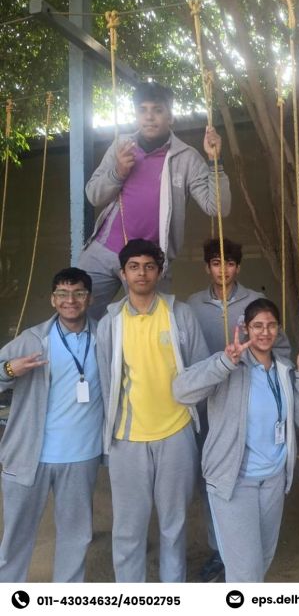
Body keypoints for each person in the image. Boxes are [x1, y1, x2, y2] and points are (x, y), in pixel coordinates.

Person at [173, 298, 299, 582]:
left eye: (271, 325)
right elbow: (181, 392)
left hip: (273, 479)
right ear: (246, 329)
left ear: (278, 329)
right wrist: (224, 363)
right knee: (245, 572)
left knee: (262, 560)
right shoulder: (229, 364)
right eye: (257, 325)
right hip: (235, 481)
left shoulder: (283, 369)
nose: (265, 332)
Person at [95, 239, 209, 582]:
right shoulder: (110, 323)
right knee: (129, 527)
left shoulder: (179, 314)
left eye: (148, 267)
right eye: (134, 267)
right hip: (128, 439)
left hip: (177, 435)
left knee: (174, 524)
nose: (141, 273)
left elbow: (200, 370)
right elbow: (106, 381)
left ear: (159, 273)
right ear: (122, 274)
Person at [78, 81, 231, 320]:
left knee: (153, 325)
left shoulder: (186, 157)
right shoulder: (121, 146)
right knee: (77, 312)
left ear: (170, 116)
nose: (149, 117)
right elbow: (93, 195)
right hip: (104, 251)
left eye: (157, 110)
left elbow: (218, 208)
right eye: (143, 110)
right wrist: (117, 172)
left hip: (151, 263)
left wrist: (215, 161)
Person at [187, 237, 291, 581]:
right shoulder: (193, 305)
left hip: (249, 396)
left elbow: (281, 350)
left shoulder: (255, 303)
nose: (223, 270)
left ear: (238, 267)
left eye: (230, 263)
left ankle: (239, 556)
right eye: (217, 263)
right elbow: (185, 362)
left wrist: (274, 372)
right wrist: (221, 365)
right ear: (207, 267)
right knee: (217, 476)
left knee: (240, 473)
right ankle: (221, 549)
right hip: (210, 396)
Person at [0, 268, 102, 582]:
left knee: (76, 536)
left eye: (79, 293)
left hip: (81, 456)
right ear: (52, 300)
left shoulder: (106, 337)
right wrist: (9, 370)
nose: (70, 300)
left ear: (89, 298)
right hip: (29, 456)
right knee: (16, 537)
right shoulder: (32, 339)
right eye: (62, 294)